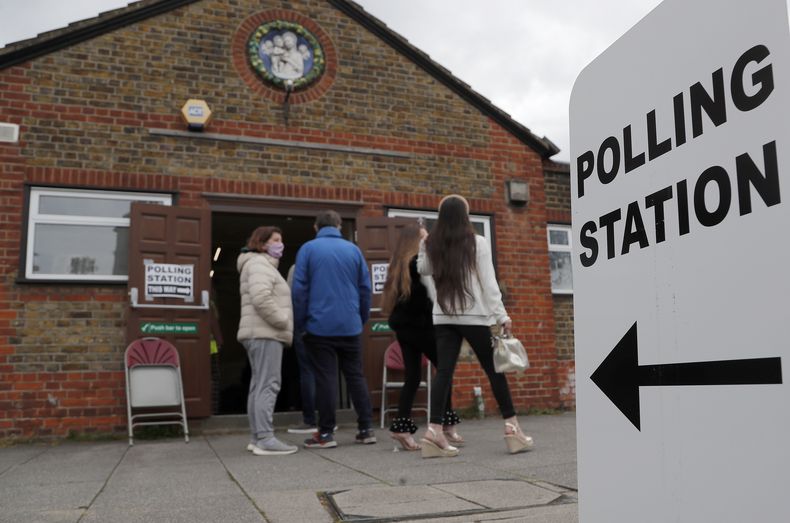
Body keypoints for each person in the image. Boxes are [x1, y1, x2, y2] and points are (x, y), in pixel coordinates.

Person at [417, 195, 534, 458]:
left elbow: (423, 268)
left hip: (444, 318)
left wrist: (424, 243)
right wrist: (501, 315)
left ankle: (434, 430)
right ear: (464, 216)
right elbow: (489, 283)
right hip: (474, 317)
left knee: (444, 372)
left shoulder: (432, 244)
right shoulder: (477, 243)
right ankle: (512, 428)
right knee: (494, 371)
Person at [292, 210, 376, 448]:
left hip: (319, 326)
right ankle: (366, 428)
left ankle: (326, 433)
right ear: (339, 226)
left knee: (326, 378)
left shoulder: (308, 249)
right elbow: (364, 289)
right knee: (356, 377)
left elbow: (299, 290)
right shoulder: (354, 250)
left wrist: (301, 323)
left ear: (316, 227)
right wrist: (360, 318)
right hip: (350, 325)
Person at [381, 223, 462, 451]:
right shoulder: (418, 263)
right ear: (415, 240)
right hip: (422, 327)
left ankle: (402, 428)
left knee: (413, 377)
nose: (428, 240)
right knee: (444, 370)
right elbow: (427, 298)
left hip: (404, 329)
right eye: (424, 237)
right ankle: (445, 424)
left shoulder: (397, 264)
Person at [237, 226, 297, 456]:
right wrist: (282, 321)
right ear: (262, 244)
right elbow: (261, 297)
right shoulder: (260, 265)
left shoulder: (256, 264)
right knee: (268, 384)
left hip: (257, 333)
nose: (280, 244)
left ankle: (257, 436)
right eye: (275, 240)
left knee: (258, 385)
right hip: (265, 333)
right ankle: (265, 438)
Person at [285, 264, 317, 434]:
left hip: (304, 324)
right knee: (327, 371)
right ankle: (328, 419)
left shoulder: (297, 267)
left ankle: (310, 419)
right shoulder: (334, 264)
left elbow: (290, 297)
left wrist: (294, 324)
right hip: (327, 323)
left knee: (307, 371)